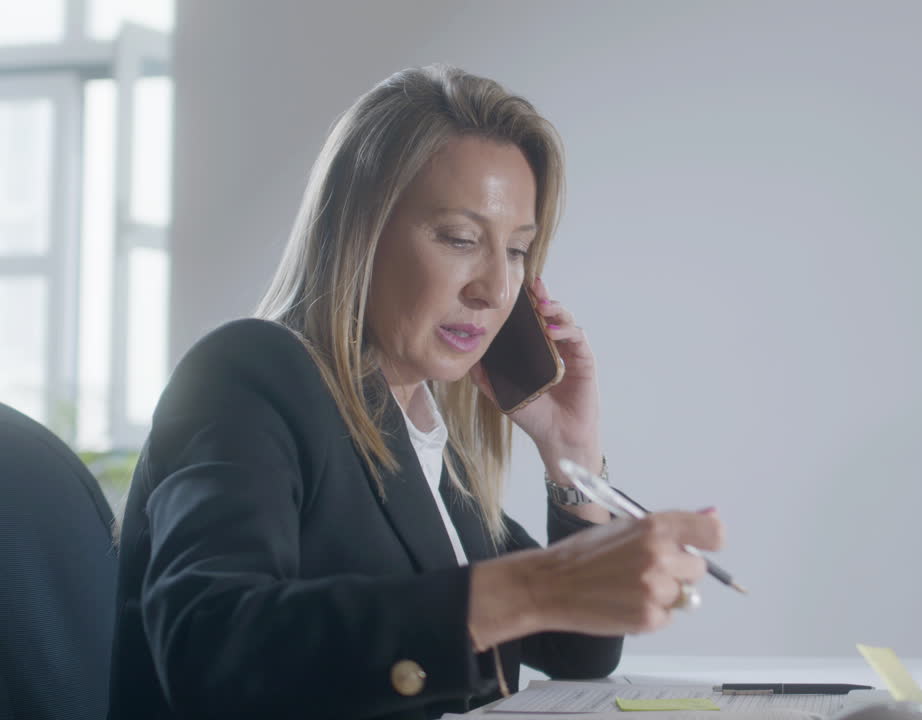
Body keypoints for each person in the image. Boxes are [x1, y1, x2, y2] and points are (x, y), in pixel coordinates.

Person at [107, 64, 725, 720]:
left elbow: (579, 649)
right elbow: (212, 651)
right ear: (359, 233)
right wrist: (536, 585)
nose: (493, 288)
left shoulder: (420, 434)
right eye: (461, 239)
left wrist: (570, 455)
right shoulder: (247, 377)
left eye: (516, 251)